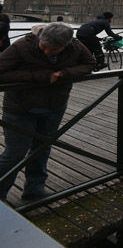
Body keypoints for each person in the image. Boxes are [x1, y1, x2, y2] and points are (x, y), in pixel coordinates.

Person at [0, 22, 94, 201]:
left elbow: (89, 63)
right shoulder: (22, 45)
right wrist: (40, 76)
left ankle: (34, 190)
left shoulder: (76, 46)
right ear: (40, 38)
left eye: (54, 49)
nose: (47, 52)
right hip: (21, 108)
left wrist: (65, 73)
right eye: (44, 46)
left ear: (67, 45)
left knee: (42, 149)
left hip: (54, 106)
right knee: (15, 153)